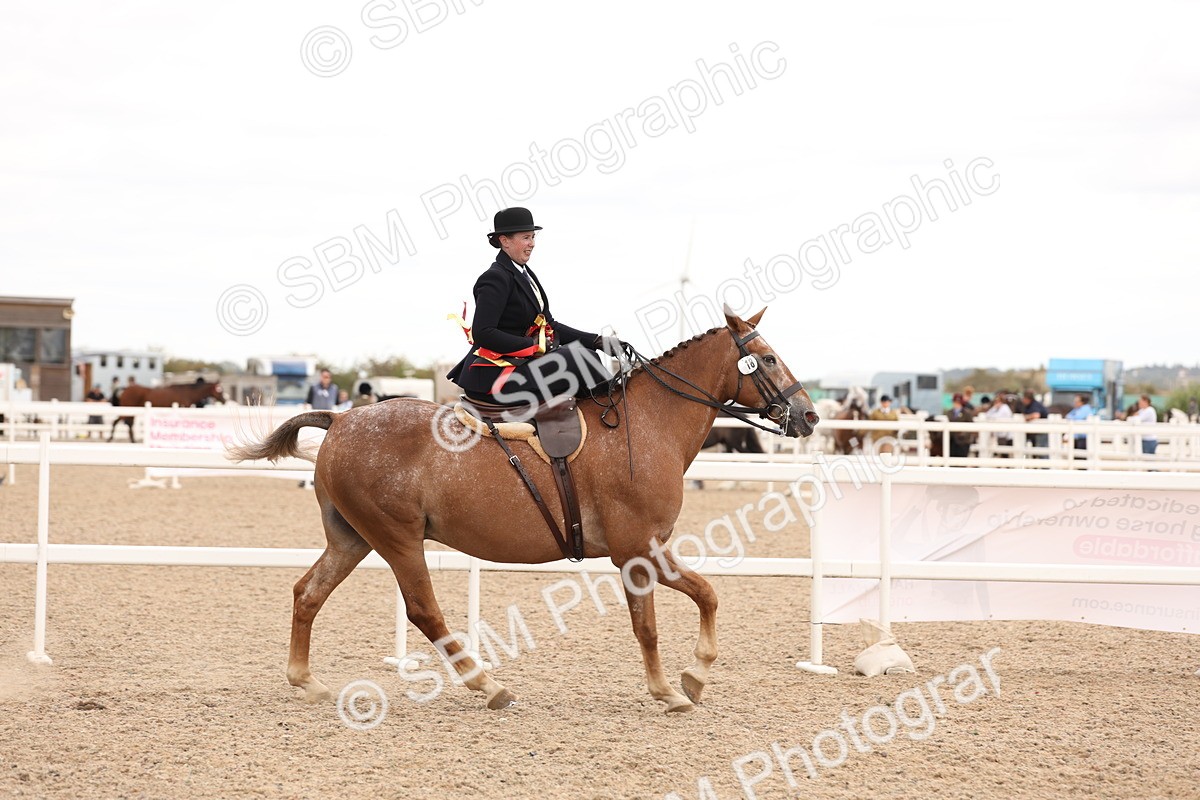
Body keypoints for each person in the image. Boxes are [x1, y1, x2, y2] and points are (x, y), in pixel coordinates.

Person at [446, 207, 614, 412]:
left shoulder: (525, 273)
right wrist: (531, 345)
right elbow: (483, 333)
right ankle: (614, 416)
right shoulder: (495, 277)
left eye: (533, 237)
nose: (532, 243)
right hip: (495, 376)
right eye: (526, 237)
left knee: (589, 354)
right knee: (582, 360)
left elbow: (550, 325)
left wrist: (597, 341)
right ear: (505, 241)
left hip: (520, 365)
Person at [1022, 390, 1050, 458]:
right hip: (1036, 432)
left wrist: (1026, 417)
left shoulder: (1035, 405)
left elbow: (1036, 415)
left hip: (1041, 432)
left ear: (1027, 398)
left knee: (1042, 451)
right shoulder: (1030, 405)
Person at [947, 393, 975, 460]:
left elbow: (971, 425)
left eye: (958, 402)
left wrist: (964, 434)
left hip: (963, 441)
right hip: (952, 440)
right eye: (955, 402)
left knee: (962, 459)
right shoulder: (950, 412)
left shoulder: (967, 413)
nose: (956, 404)